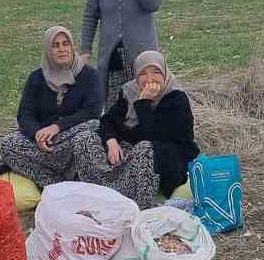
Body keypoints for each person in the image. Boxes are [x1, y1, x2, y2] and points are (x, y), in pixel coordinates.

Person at [74, 50, 199, 208]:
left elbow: (154, 136)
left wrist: (143, 103)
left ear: (165, 73)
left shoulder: (176, 99)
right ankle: (101, 193)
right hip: (127, 159)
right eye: (143, 74)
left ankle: (137, 204)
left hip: (164, 163)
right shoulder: (129, 92)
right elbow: (107, 120)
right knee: (85, 138)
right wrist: (111, 142)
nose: (149, 79)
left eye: (156, 72)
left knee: (145, 148)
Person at [0, 25, 101, 186]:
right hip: (43, 145)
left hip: (71, 139)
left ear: (72, 46)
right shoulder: (37, 78)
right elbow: (25, 115)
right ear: (48, 50)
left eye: (65, 43)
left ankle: (75, 179)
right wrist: (37, 134)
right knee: (7, 144)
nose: (62, 49)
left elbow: (91, 112)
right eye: (55, 45)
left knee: (91, 129)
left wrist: (57, 127)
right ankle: (55, 185)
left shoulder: (90, 75)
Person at [80, 0, 163, 108]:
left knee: (145, 102)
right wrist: (85, 50)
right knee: (115, 106)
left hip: (141, 57)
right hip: (112, 58)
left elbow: (153, 4)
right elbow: (90, 16)